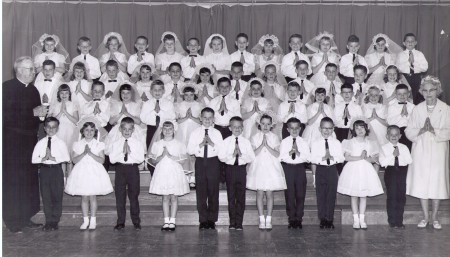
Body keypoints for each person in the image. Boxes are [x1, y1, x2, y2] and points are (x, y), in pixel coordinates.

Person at [3, 56, 46, 233]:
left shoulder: (34, 90)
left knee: (28, 179)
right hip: (12, 142)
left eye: (33, 69)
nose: (33, 72)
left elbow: (35, 115)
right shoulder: (6, 88)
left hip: (30, 141)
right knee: (13, 180)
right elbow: (5, 116)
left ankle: (26, 216)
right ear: (19, 70)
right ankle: (12, 220)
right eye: (30, 69)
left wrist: (41, 114)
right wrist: (32, 112)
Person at [405, 76, 450, 230]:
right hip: (421, 150)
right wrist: (422, 130)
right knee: (422, 182)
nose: (428, 93)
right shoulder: (417, 109)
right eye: (425, 90)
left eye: (432, 90)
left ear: (437, 91)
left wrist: (434, 130)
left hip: (438, 150)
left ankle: (435, 217)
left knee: (437, 183)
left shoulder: (446, 109)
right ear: (421, 92)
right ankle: (425, 217)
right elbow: (408, 131)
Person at [64, 119, 113, 230]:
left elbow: (101, 160)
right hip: (82, 172)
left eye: (92, 130)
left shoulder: (99, 144)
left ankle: (93, 220)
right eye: (86, 130)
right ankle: (85, 220)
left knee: (92, 197)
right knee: (84, 197)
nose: (89, 132)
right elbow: (75, 160)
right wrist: (84, 153)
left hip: (94, 172)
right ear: (82, 131)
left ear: (95, 131)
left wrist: (90, 153)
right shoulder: (77, 144)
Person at [337, 119, 383, 230]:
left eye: (362, 127)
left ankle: (362, 219)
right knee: (354, 195)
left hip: (365, 170)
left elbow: (374, 159)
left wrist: (367, 158)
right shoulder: (350, 142)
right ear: (353, 130)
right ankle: (355, 219)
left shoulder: (370, 143)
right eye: (357, 128)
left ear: (366, 129)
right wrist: (359, 157)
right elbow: (346, 157)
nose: (360, 130)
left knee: (363, 196)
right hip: (353, 169)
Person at [246, 113, 286, 230]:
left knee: (269, 193)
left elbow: (278, 155)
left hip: (271, 167)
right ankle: (261, 218)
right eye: (263, 124)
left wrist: (267, 146)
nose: (265, 126)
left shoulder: (274, 137)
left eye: (268, 124)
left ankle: (268, 218)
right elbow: (252, 155)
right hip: (258, 167)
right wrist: (261, 146)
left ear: (271, 126)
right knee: (259, 193)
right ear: (259, 124)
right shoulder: (254, 137)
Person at [149, 120, 190, 231]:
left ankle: (173, 221)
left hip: (174, 172)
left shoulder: (179, 144)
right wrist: (162, 155)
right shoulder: (157, 144)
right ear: (161, 130)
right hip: (162, 172)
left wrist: (171, 156)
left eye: (170, 129)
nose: (167, 131)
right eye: (165, 129)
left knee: (174, 197)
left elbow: (182, 161)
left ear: (174, 130)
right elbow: (153, 161)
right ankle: (166, 221)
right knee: (165, 197)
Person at [187, 107, 224, 229]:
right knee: (201, 191)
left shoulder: (217, 133)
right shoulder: (195, 133)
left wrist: (212, 144)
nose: (207, 120)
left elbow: (222, 152)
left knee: (213, 191)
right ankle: (203, 219)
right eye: (205, 117)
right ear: (200, 118)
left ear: (213, 119)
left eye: (210, 118)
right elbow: (189, 150)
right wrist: (201, 144)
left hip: (213, 162)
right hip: (200, 162)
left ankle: (212, 219)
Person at [32, 117, 71, 231]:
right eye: (48, 127)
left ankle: (55, 221)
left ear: (57, 128)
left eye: (54, 127)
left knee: (57, 196)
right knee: (46, 196)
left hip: (56, 170)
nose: (51, 129)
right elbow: (34, 159)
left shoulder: (61, 143)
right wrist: (43, 158)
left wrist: (54, 158)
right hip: (45, 171)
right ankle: (48, 221)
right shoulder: (40, 143)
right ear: (44, 128)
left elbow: (67, 158)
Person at [108, 117, 145, 231]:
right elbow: (112, 160)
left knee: (133, 196)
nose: (127, 131)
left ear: (133, 129)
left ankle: (136, 221)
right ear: (120, 129)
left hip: (133, 169)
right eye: (124, 129)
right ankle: (120, 222)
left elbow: (140, 159)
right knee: (120, 196)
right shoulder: (116, 143)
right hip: (120, 169)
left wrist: (130, 152)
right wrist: (121, 152)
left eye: (129, 129)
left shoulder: (137, 143)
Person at [219, 116, 255, 230]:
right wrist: (232, 155)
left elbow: (251, 157)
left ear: (243, 128)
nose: (237, 129)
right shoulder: (226, 142)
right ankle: (232, 222)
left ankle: (239, 222)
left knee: (240, 197)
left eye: (239, 127)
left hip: (241, 170)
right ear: (230, 128)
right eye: (234, 127)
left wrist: (242, 155)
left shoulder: (246, 142)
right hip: (230, 169)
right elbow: (221, 157)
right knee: (231, 196)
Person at [310, 117, 344, 229]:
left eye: (329, 128)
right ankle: (322, 219)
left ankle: (330, 219)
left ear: (333, 129)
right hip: (321, 169)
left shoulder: (337, 142)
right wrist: (323, 158)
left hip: (332, 169)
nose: (327, 131)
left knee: (331, 194)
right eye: (324, 128)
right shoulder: (315, 143)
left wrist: (333, 158)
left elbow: (341, 158)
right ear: (320, 129)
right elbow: (313, 158)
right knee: (321, 195)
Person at [279, 118, 311, 229]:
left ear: (300, 129)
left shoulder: (304, 142)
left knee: (300, 194)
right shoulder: (284, 142)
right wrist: (290, 153)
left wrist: (297, 153)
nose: (294, 130)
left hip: (300, 169)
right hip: (288, 169)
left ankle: (299, 218)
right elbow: (281, 157)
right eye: (291, 128)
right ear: (287, 129)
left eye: (296, 128)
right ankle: (291, 218)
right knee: (290, 194)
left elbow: (308, 158)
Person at [379, 125, 412, 229]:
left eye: (396, 134)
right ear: (387, 136)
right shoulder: (384, 148)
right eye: (391, 135)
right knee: (392, 196)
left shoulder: (404, 147)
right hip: (390, 171)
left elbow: (409, 160)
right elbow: (383, 162)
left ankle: (399, 221)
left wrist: (399, 155)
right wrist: (393, 155)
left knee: (401, 197)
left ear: (400, 136)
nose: (394, 136)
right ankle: (392, 221)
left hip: (402, 172)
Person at [140, 80, 176, 172]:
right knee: (152, 152)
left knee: (165, 151)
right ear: (151, 91)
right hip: (152, 130)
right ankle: (153, 175)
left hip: (165, 131)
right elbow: (143, 118)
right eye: (155, 90)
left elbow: (172, 116)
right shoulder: (147, 104)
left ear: (163, 91)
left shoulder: (168, 103)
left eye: (159, 90)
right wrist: (154, 112)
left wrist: (160, 112)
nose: (157, 92)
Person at [175, 84, 204, 187]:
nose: (188, 97)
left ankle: (193, 178)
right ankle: (184, 178)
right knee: (184, 155)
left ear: (194, 95)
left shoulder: (199, 105)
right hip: (182, 131)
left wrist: (191, 117)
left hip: (194, 131)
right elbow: (177, 121)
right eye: (186, 95)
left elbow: (201, 121)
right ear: (183, 95)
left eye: (191, 95)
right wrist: (186, 117)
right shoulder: (179, 105)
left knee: (193, 156)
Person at [48, 84, 79, 175]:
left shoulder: (73, 105)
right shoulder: (55, 105)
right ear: (58, 94)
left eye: (66, 93)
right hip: (59, 132)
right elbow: (52, 122)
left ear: (69, 94)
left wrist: (66, 112)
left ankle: (70, 180)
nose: (64, 95)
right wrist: (61, 112)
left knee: (69, 157)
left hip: (70, 132)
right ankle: (62, 180)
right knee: (61, 157)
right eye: (62, 93)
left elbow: (76, 120)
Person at [396, 33, 428, 104]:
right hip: (404, 77)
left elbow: (425, 67)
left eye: (412, 41)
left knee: (416, 96)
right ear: (404, 43)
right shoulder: (400, 55)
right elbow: (398, 68)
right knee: (405, 96)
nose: (410, 43)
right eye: (408, 41)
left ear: (415, 43)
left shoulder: (419, 54)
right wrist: (408, 62)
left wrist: (413, 63)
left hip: (416, 78)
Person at [386, 84, 415, 150]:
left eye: (404, 93)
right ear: (395, 95)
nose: (402, 96)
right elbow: (390, 122)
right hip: (397, 132)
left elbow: (415, 121)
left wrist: (407, 115)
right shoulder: (392, 107)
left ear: (408, 94)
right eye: (399, 94)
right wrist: (401, 115)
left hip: (409, 131)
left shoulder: (412, 106)